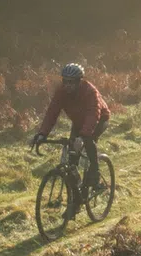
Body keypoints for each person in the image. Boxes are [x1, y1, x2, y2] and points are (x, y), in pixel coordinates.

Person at [33, 63, 111, 220]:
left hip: (99, 119)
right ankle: (75, 203)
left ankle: (94, 176)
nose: (68, 85)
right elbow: (52, 112)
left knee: (89, 141)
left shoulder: (90, 92)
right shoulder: (61, 92)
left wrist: (82, 138)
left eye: (72, 82)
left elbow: (93, 115)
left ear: (79, 81)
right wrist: (42, 134)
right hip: (78, 122)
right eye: (65, 81)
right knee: (72, 161)